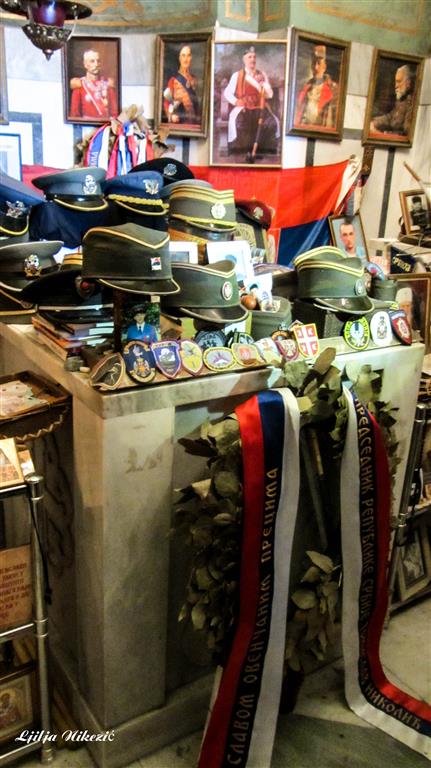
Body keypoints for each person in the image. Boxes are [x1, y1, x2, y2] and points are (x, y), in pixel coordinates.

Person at [223, 46, 279, 160]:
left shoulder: (262, 74)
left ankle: (261, 152)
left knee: (271, 123)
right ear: (244, 60)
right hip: (244, 108)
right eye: (249, 57)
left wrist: (263, 84)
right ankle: (244, 153)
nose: (252, 60)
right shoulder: (237, 75)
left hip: (260, 107)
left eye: (254, 57)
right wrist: (236, 101)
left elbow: (270, 95)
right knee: (240, 123)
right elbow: (227, 93)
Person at [294, 45, 338, 128]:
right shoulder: (306, 88)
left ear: (324, 66)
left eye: (319, 63)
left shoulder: (333, 89)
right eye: (313, 63)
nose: (315, 67)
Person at [70, 49, 118, 120]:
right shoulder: (80, 85)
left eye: (98, 61)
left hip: (106, 125)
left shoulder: (108, 84)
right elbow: (75, 115)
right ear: (85, 64)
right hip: (87, 125)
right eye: (92, 61)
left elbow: (115, 113)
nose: (96, 64)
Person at [370, 65, 414, 135]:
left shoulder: (411, 103)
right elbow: (390, 117)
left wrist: (384, 134)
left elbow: (406, 133)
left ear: (408, 83)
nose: (396, 86)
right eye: (396, 82)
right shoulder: (401, 100)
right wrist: (374, 122)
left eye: (399, 81)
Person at [163, 45, 199, 125]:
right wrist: (171, 116)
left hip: (193, 125)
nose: (186, 59)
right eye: (183, 56)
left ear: (191, 58)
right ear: (180, 59)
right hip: (179, 125)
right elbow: (166, 102)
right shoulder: (173, 80)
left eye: (188, 55)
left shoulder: (194, 80)